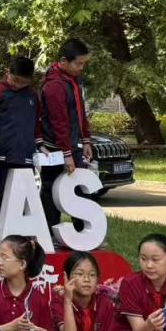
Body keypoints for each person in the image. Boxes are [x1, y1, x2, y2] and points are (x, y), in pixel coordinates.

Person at [38, 39, 93, 230]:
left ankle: (85, 231)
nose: (81, 68)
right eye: (78, 63)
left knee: (79, 188)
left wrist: (86, 140)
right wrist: (66, 153)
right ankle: (49, 231)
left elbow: (80, 112)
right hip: (55, 148)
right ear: (63, 61)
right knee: (51, 190)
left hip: (71, 145)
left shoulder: (72, 81)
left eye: (84, 63)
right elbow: (59, 122)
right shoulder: (54, 85)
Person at [0, 56, 41, 226]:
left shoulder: (32, 95)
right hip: (2, 154)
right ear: (8, 72)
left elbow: (37, 123)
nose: (18, 85)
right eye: (15, 80)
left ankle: (19, 233)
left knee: (23, 197)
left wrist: (40, 145)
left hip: (26, 155)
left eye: (23, 82)